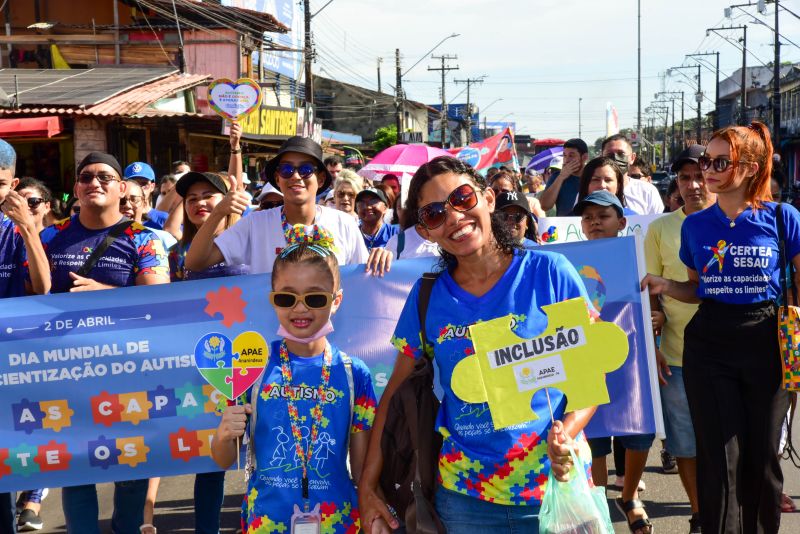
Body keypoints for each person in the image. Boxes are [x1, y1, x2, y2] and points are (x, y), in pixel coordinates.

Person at [358, 156, 597, 534]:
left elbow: (587, 381)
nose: (453, 217)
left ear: (488, 198)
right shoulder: (427, 296)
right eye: (434, 213)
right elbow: (394, 394)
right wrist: (367, 487)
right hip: (463, 498)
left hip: (554, 487)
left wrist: (566, 434)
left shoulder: (550, 273)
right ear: (425, 231)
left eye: (463, 198)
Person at [642, 122, 794, 533]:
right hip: (709, 339)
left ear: (748, 167)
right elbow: (697, 288)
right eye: (705, 160)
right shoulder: (696, 226)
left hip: (766, 337)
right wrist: (665, 286)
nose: (707, 169)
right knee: (719, 457)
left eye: (718, 161)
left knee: (761, 455)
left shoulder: (783, 219)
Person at [211, 228, 376, 532]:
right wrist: (223, 434)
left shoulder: (355, 373)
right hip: (266, 522)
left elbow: (364, 469)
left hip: (338, 522)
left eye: (314, 297)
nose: (300, 308)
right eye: (287, 297)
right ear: (273, 300)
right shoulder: (250, 368)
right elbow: (222, 458)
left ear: (336, 300)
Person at [39, 151, 169, 534]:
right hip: (66, 373)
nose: (93, 183)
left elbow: (159, 304)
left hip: (129, 373)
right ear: (76, 187)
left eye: (104, 177)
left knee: (131, 468)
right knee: (77, 470)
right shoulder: (50, 237)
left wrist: (101, 293)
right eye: (85, 177)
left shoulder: (145, 240)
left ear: (122, 188)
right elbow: (30, 295)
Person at [185, 136, 391, 276]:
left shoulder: (343, 223)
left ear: (320, 179)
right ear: (278, 178)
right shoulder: (256, 224)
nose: (295, 176)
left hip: (331, 333)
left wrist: (381, 256)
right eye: (286, 169)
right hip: (270, 333)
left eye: (306, 169)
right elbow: (195, 262)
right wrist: (219, 211)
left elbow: (363, 279)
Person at [575, 190, 654, 534]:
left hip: (631, 354)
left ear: (622, 223)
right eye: (588, 217)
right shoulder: (567, 259)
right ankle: (597, 506)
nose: (595, 222)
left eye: (603, 216)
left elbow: (653, 303)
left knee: (638, 431)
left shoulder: (637, 256)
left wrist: (658, 328)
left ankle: (629, 494)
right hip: (586, 358)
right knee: (593, 437)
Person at [644, 144, 711, 534]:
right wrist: (653, 349)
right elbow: (653, 292)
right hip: (675, 355)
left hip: (726, 354)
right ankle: (700, 513)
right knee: (685, 442)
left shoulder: (735, 222)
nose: (694, 185)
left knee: (723, 443)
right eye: (685, 178)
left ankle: (723, 509)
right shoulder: (659, 229)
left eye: (700, 175)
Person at [0, 139, 50, 534]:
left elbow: (43, 286)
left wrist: (29, 228)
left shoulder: (15, 232)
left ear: (12, 184)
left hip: (12, 363)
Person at [601, 135, 663, 214]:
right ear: (601, 157)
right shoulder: (591, 190)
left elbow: (657, 223)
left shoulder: (647, 191)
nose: (615, 159)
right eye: (609, 155)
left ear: (632, 158)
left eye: (621, 154)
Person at [121, 180, 177, 249]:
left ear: (143, 203)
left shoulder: (161, 239)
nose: (127, 205)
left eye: (134, 200)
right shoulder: (104, 236)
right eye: (121, 200)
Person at [539, 138, 590, 215]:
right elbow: (545, 206)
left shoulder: (593, 177)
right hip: (564, 225)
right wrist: (561, 177)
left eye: (571, 155)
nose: (566, 160)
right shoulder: (556, 177)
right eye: (565, 155)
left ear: (584, 157)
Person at [123, 162, 169, 229]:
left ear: (152, 187)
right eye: (134, 183)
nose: (139, 187)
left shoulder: (164, 218)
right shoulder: (118, 217)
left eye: (144, 183)